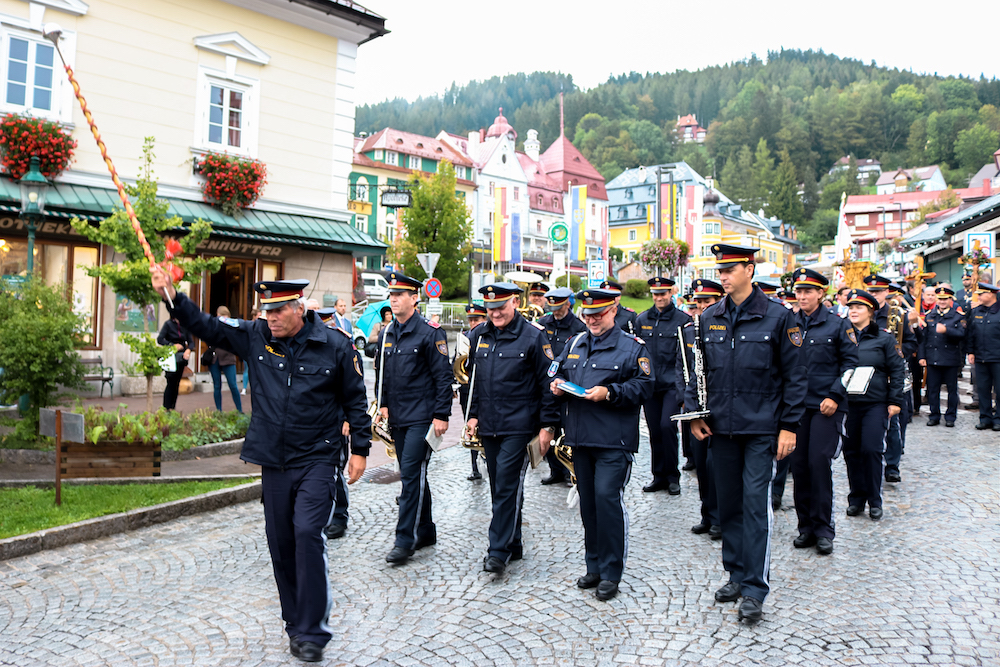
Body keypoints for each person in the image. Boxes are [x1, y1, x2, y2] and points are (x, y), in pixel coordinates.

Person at [151, 269, 371, 664]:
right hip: (274, 459)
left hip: (318, 456)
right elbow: (207, 326)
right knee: (281, 543)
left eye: (279, 310)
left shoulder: (335, 346)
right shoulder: (255, 337)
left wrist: (360, 448)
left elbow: (355, 398)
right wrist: (172, 294)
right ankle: (294, 622)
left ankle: (312, 630)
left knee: (307, 533)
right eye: (266, 310)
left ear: (299, 308)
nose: (270, 317)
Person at [686, 244, 806, 624]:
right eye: (720, 269)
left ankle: (755, 587)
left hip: (760, 428)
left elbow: (795, 377)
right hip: (721, 428)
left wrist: (789, 426)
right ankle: (736, 574)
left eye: (731, 269)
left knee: (756, 505)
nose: (723, 275)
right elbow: (698, 372)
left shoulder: (778, 318)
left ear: (749, 270)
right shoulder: (711, 317)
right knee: (730, 503)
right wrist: (694, 415)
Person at [549, 288, 653, 601]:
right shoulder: (575, 343)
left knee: (608, 501)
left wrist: (610, 392)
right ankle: (593, 565)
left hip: (613, 440)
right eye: (588, 314)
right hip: (581, 439)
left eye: (599, 314)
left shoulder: (632, 347)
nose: (592, 319)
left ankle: (611, 572)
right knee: (589, 505)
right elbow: (555, 370)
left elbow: (645, 386)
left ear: (613, 311)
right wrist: (555, 385)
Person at [465, 282, 558, 575]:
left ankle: (498, 551)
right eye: (490, 309)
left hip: (520, 424)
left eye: (500, 308)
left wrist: (547, 427)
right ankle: (514, 541)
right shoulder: (480, 335)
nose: (494, 314)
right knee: (499, 486)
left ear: (515, 303)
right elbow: (475, 383)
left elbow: (548, 386)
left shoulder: (534, 337)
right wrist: (472, 415)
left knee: (505, 484)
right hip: (490, 425)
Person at [366, 272, 453, 565]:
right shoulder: (390, 332)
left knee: (410, 476)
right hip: (399, 417)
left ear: (415, 298)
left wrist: (442, 414)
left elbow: (443, 377)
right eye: (391, 294)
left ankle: (405, 540)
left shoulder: (430, 332)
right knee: (414, 473)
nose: (393, 298)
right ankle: (426, 530)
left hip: (424, 417)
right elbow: (384, 374)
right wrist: (385, 404)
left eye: (400, 294)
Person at [788, 269, 858, 556]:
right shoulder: (788, 324)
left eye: (808, 291)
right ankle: (805, 526)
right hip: (796, 406)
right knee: (799, 466)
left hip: (826, 407)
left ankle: (823, 528)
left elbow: (852, 364)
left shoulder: (837, 325)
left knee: (818, 462)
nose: (802, 296)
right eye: (799, 291)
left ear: (821, 294)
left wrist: (835, 394)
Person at [842, 289, 905, 522]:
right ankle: (856, 498)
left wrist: (895, 401)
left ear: (870, 311)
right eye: (850, 307)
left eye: (858, 307)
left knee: (871, 449)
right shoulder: (843, 336)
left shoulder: (884, 338)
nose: (854, 311)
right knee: (851, 452)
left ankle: (874, 500)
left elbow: (897, 370)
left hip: (875, 403)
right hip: (848, 404)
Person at [676, 278, 724, 540]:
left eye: (708, 301)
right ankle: (707, 514)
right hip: (696, 408)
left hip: (718, 408)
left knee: (716, 466)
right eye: (699, 302)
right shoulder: (687, 331)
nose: (702, 307)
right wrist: (685, 400)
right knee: (702, 469)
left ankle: (720, 518)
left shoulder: (722, 328)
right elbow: (681, 369)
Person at [635, 276, 691, 495]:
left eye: (663, 293)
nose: (659, 297)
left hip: (671, 385)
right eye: (656, 294)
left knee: (668, 428)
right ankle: (658, 476)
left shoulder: (682, 319)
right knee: (654, 431)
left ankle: (672, 476)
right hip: (650, 385)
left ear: (671, 293)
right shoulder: (642, 320)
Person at [536, 287, 586, 485]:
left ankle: (569, 469)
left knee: (566, 428)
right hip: (544, 381)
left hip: (568, 381)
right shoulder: (542, 324)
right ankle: (555, 469)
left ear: (568, 304)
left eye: (559, 307)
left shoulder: (578, 327)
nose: (556, 312)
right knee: (547, 425)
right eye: (553, 307)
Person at [315, 307, 356, 541]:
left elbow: (353, 389)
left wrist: (349, 418)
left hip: (338, 421)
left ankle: (339, 516)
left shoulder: (343, 346)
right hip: (316, 422)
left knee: (335, 470)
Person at [919, 285, 967, 427]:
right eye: (940, 299)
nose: (942, 302)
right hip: (933, 358)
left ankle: (950, 416)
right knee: (933, 390)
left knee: (952, 390)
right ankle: (934, 415)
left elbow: (961, 335)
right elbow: (923, 339)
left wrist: (947, 330)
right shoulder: (930, 316)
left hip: (950, 359)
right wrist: (922, 357)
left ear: (950, 300)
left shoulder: (958, 316)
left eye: (945, 299)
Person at [458, 303, 488, 480]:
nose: (473, 323)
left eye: (476, 319)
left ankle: (485, 459)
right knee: (470, 426)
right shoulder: (465, 337)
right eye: (470, 320)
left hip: (484, 388)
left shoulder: (487, 337)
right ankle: (474, 466)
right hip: (467, 388)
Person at [966, 282, 1000, 431]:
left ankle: (998, 419)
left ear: (991, 294)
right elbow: (970, 334)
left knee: (999, 390)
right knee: (983, 389)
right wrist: (971, 351)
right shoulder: (976, 311)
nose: (978, 296)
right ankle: (985, 418)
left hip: (998, 357)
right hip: (981, 357)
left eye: (981, 294)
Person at [208, 306, 243, 413]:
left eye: (224, 317)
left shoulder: (232, 326)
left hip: (228, 358)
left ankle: (239, 410)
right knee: (217, 385)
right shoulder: (212, 326)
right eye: (220, 317)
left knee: (233, 385)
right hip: (215, 358)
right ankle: (219, 411)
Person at [156, 316, 192, 410]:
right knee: (170, 383)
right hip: (170, 358)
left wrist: (188, 350)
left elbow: (191, 342)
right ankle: (166, 408)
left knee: (176, 384)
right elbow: (160, 339)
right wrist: (173, 346)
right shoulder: (168, 324)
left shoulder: (185, 325)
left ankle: (172, 408)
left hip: (180, 359)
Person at [242, 307, 259, 395]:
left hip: (251, 350)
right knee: (249, 370)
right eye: (259, 316)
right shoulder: (254, 327)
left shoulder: (248, 326)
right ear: (255, 316)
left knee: (248, 370)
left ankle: (246, 389)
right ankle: (246, 388)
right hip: (251, 351)